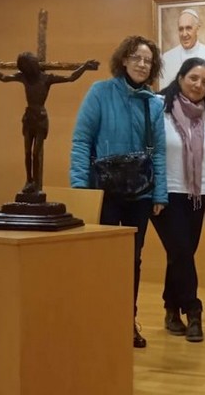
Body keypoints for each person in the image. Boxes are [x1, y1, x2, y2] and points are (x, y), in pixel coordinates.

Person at [70, 35, 167, 349]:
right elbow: (81, 141)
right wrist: (80, 189)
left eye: (148, 60)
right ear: (123, 60)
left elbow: (159, 153)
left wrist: (160, 194)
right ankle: (100, 321)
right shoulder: (100, 92)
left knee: (132, 260)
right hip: (104, 193)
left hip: (140, 195)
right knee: (103, 261)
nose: (142, 64)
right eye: (136, 57)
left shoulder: (154, 102)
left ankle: (127, 321)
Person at [151, 58, 205, 343]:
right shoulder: (158, 107)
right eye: (193, 78)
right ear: (180, 78)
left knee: (180, 255)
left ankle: (170, 309)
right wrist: (155, 192)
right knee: (181, 253)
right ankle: (193, 310)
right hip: (166, 195)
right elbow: (150, 150)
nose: (198, 85)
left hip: (198, 196)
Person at [0, 53, 98, 195]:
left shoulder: (46, 78)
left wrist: (84, 67)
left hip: (40, 119)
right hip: (29, 118)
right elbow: (4, 78)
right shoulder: (23, 77)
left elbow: (70, 78)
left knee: (36, 153)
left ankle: (36, 182)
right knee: (27, 152)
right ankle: (29, 180)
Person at [160, 9, 205, 94]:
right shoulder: (167, 57)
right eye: (181, 29)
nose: (184, 34)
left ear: (197, 29)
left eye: (188, 28)